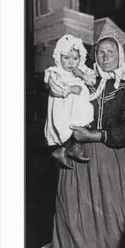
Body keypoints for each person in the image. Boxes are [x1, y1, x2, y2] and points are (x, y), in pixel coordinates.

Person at [47, 36, 125, 248]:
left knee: (113, 216)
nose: (105, 56)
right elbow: (59, 105)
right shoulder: (85, 80)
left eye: (111, 52)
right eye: (100, 52)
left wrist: (95, 135)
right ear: (94, 56)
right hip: (79, 157)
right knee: (73, 212)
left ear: (119, 56)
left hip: (111, 158)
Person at [44, 34, 96, 169]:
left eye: (75, 58)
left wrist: (82, 75)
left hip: (79, 106)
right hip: (63, 106)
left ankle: (72, 148)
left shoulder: (82, 69)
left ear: (81, 58)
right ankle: (62, 149)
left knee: (80, 124)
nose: (71, 62)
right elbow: (55, 89)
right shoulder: (55, 72)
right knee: (65, 126)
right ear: (58, 57)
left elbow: (92, 81)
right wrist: (71, 89)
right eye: (66, 58)